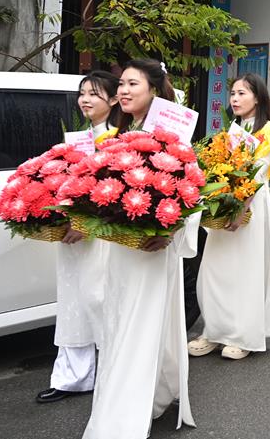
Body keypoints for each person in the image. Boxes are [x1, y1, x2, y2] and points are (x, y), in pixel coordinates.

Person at [84, 59, 197, 438]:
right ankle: (149, 394)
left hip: (152, 247)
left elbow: (191, 191)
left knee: (140, 323)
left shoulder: (171, 136)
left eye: (133, 84)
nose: (124, 90)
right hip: (121, 248)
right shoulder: (118, 135)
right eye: (122, 84)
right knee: (119, 320)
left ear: (154, 89)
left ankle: (127, 409)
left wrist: (169, 232)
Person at [189, 74, 270, 361]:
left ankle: (243, 335)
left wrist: (241, 209)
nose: (234, 98)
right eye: (232, 93)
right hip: (225, 205)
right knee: (215, 270)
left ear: (258, 97)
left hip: (250, 206)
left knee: (245, 271)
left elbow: (258, 174)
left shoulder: (269, 131)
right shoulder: (232, 130)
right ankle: (214, 331)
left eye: (242, 93)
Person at [36, 72, 119, 405]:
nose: (85, 99)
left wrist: (87, 223)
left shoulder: (118, 139)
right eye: (82, 93)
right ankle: (72, 377)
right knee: (72, 302)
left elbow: (115, 193)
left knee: (100, 301)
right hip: (72, 235)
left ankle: (114, 375)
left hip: (103, 236)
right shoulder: (76, 138)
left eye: (94, 94)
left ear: (113, 100)